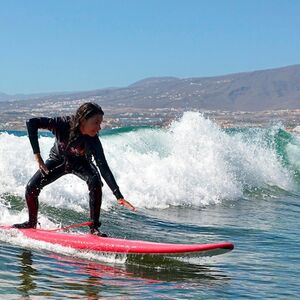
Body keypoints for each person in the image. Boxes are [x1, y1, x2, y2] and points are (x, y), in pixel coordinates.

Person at [13, 102, 135, 236]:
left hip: (81, 163)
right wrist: (37, 156)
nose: (99, 127)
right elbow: (31, 123)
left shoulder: (93, 140)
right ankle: (31, 223)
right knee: (31, 187)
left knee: (95, 181)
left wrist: (118, 196)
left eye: (100, 123)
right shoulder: (63, 123)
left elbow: (103, 166)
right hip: (58, 160)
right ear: (83, 119)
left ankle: (94, 228)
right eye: (96, 123)